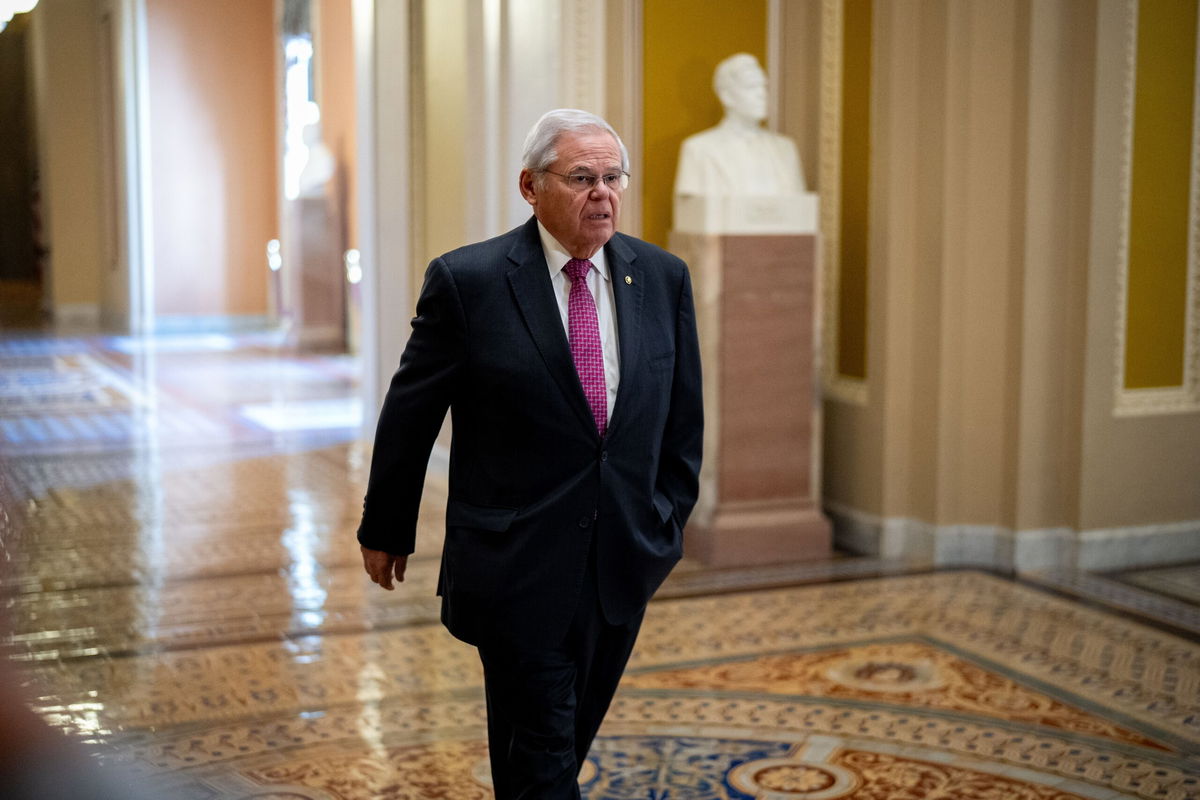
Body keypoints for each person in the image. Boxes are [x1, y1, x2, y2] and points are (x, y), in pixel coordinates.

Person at [357, 108, 704, 799]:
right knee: (544, 751)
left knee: (550, 749)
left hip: (621, 561)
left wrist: (666, 521)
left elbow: (683, 419)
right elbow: (411, 412)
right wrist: (386, 525)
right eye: (581, 178)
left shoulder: (660, 279)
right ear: (530, 186)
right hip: (516, 564)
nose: (602, 193)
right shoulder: (470, 283)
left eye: (612, 177)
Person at [675, 53, 806, 197]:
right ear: (727, 96)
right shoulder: (699, 149)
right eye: (751, 87)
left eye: (764, 87)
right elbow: (691, 213)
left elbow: (799, 209)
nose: (762, 94)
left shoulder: (785, 149)